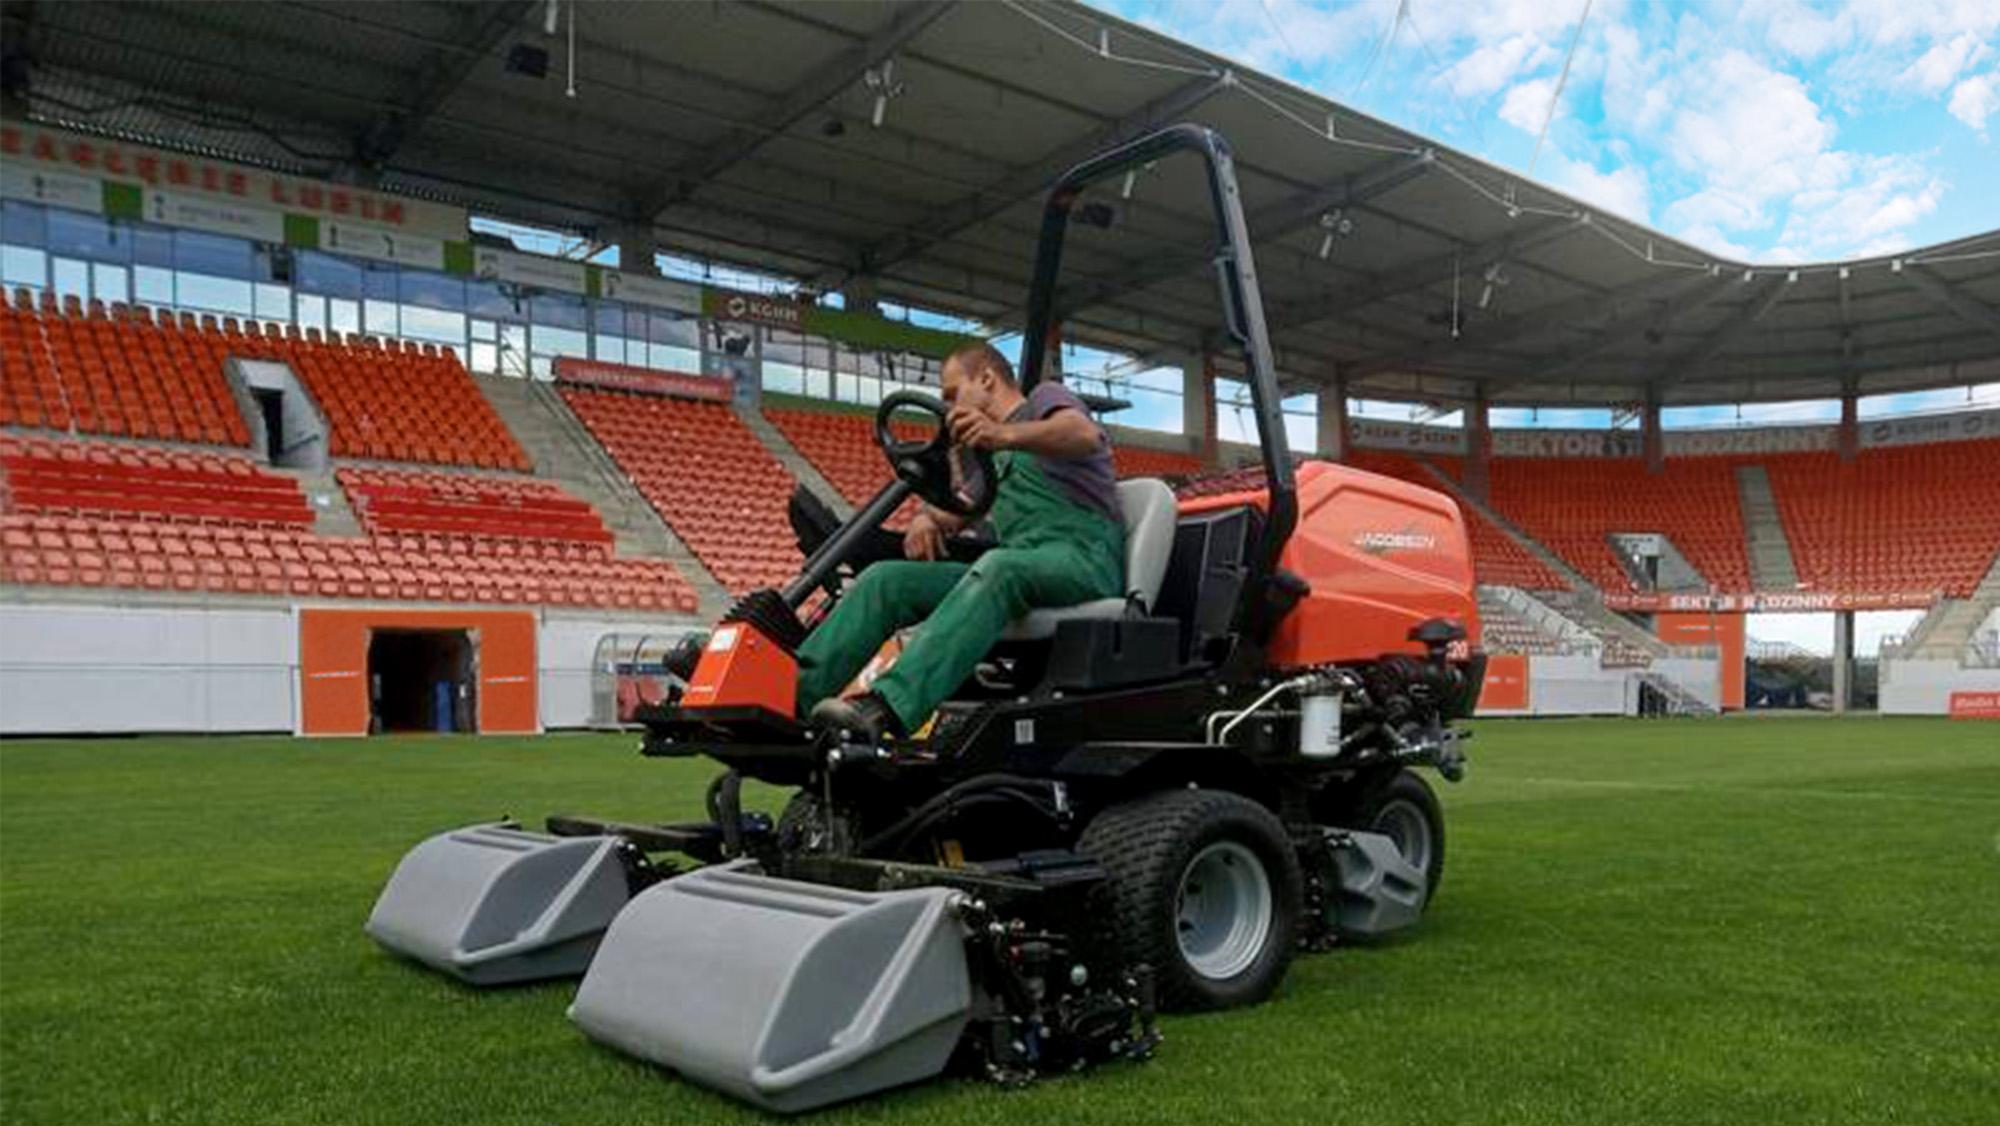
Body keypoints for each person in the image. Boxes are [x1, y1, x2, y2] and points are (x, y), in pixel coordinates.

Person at [797, 341, 1125, 740]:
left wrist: (1002, 433)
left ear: (986, 379)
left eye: (953, 395)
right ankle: (792, 696)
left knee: (998, 567)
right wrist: (926, 517)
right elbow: (961, 507)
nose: (949, 407)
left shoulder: (1044, 401)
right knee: (886, 579)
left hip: (1082, 557)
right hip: (1022, 565)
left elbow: (1085, 434)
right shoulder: (988, 458)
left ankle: (883, 708)